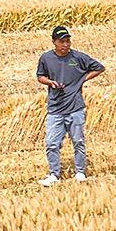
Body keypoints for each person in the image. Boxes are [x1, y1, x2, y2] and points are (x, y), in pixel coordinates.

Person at [34, 24, 105, 185]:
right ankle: (54, 174)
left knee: (78, 141)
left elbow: (99, 68)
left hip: (75, 108)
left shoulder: (78, 57)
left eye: (67, 41)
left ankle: (80, 172)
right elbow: (40, 76)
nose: (66, 44)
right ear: (54, 42)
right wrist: (50, 83)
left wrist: (82, 79)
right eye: (62, 41)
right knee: (52, 143)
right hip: (55, 109)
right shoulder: (46, 58)